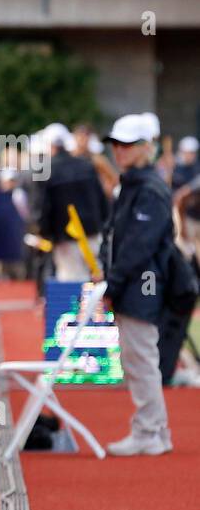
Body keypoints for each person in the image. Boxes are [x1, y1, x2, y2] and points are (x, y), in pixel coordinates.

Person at [101, 114, 177, 455]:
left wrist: (112, 282)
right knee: (138, 356)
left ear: (146, 147)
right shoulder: (135, 184)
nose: (118, 150)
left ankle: (149, 431)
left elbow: (138, 245)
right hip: (134, 279)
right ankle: (155, 430)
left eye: (126, 144)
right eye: (116, 144)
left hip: (143, 281)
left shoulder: (148, 188)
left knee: (140, 356)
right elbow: (117, 236)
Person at [36, 123, 109, 280]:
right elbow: (102, 200)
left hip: (66, 239)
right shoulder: (86, 166)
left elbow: (44, 207)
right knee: (98, 281)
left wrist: (44, 233)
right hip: (92, 233)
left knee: (73, 287)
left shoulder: (48, 170)